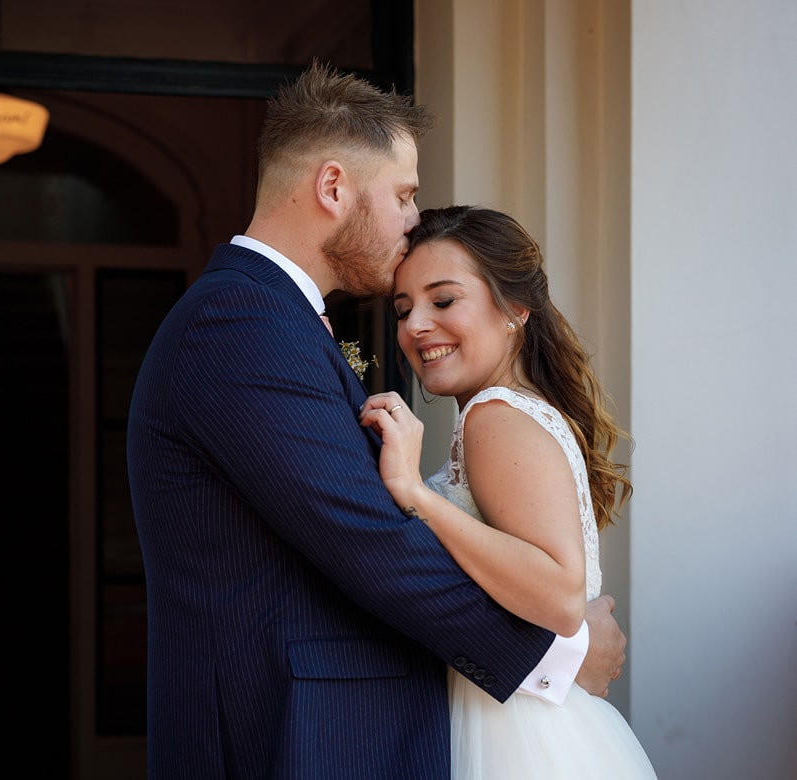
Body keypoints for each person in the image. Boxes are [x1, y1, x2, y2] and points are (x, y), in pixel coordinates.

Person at [126, 61, 627, 780]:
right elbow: (365, 537)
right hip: (282, 736)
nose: (413, 220)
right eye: (403, 195)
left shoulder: (271, 318)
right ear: (334, 187)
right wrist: (562, 652)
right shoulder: (240, 323)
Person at [362, 204, 656, 777]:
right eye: (403, 309)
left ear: (515, 310)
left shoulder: (493, 417)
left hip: (515, 734)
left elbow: (559, 593)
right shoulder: (504, 413)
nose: (416, 325)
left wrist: (414, 495)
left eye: (443, 301)